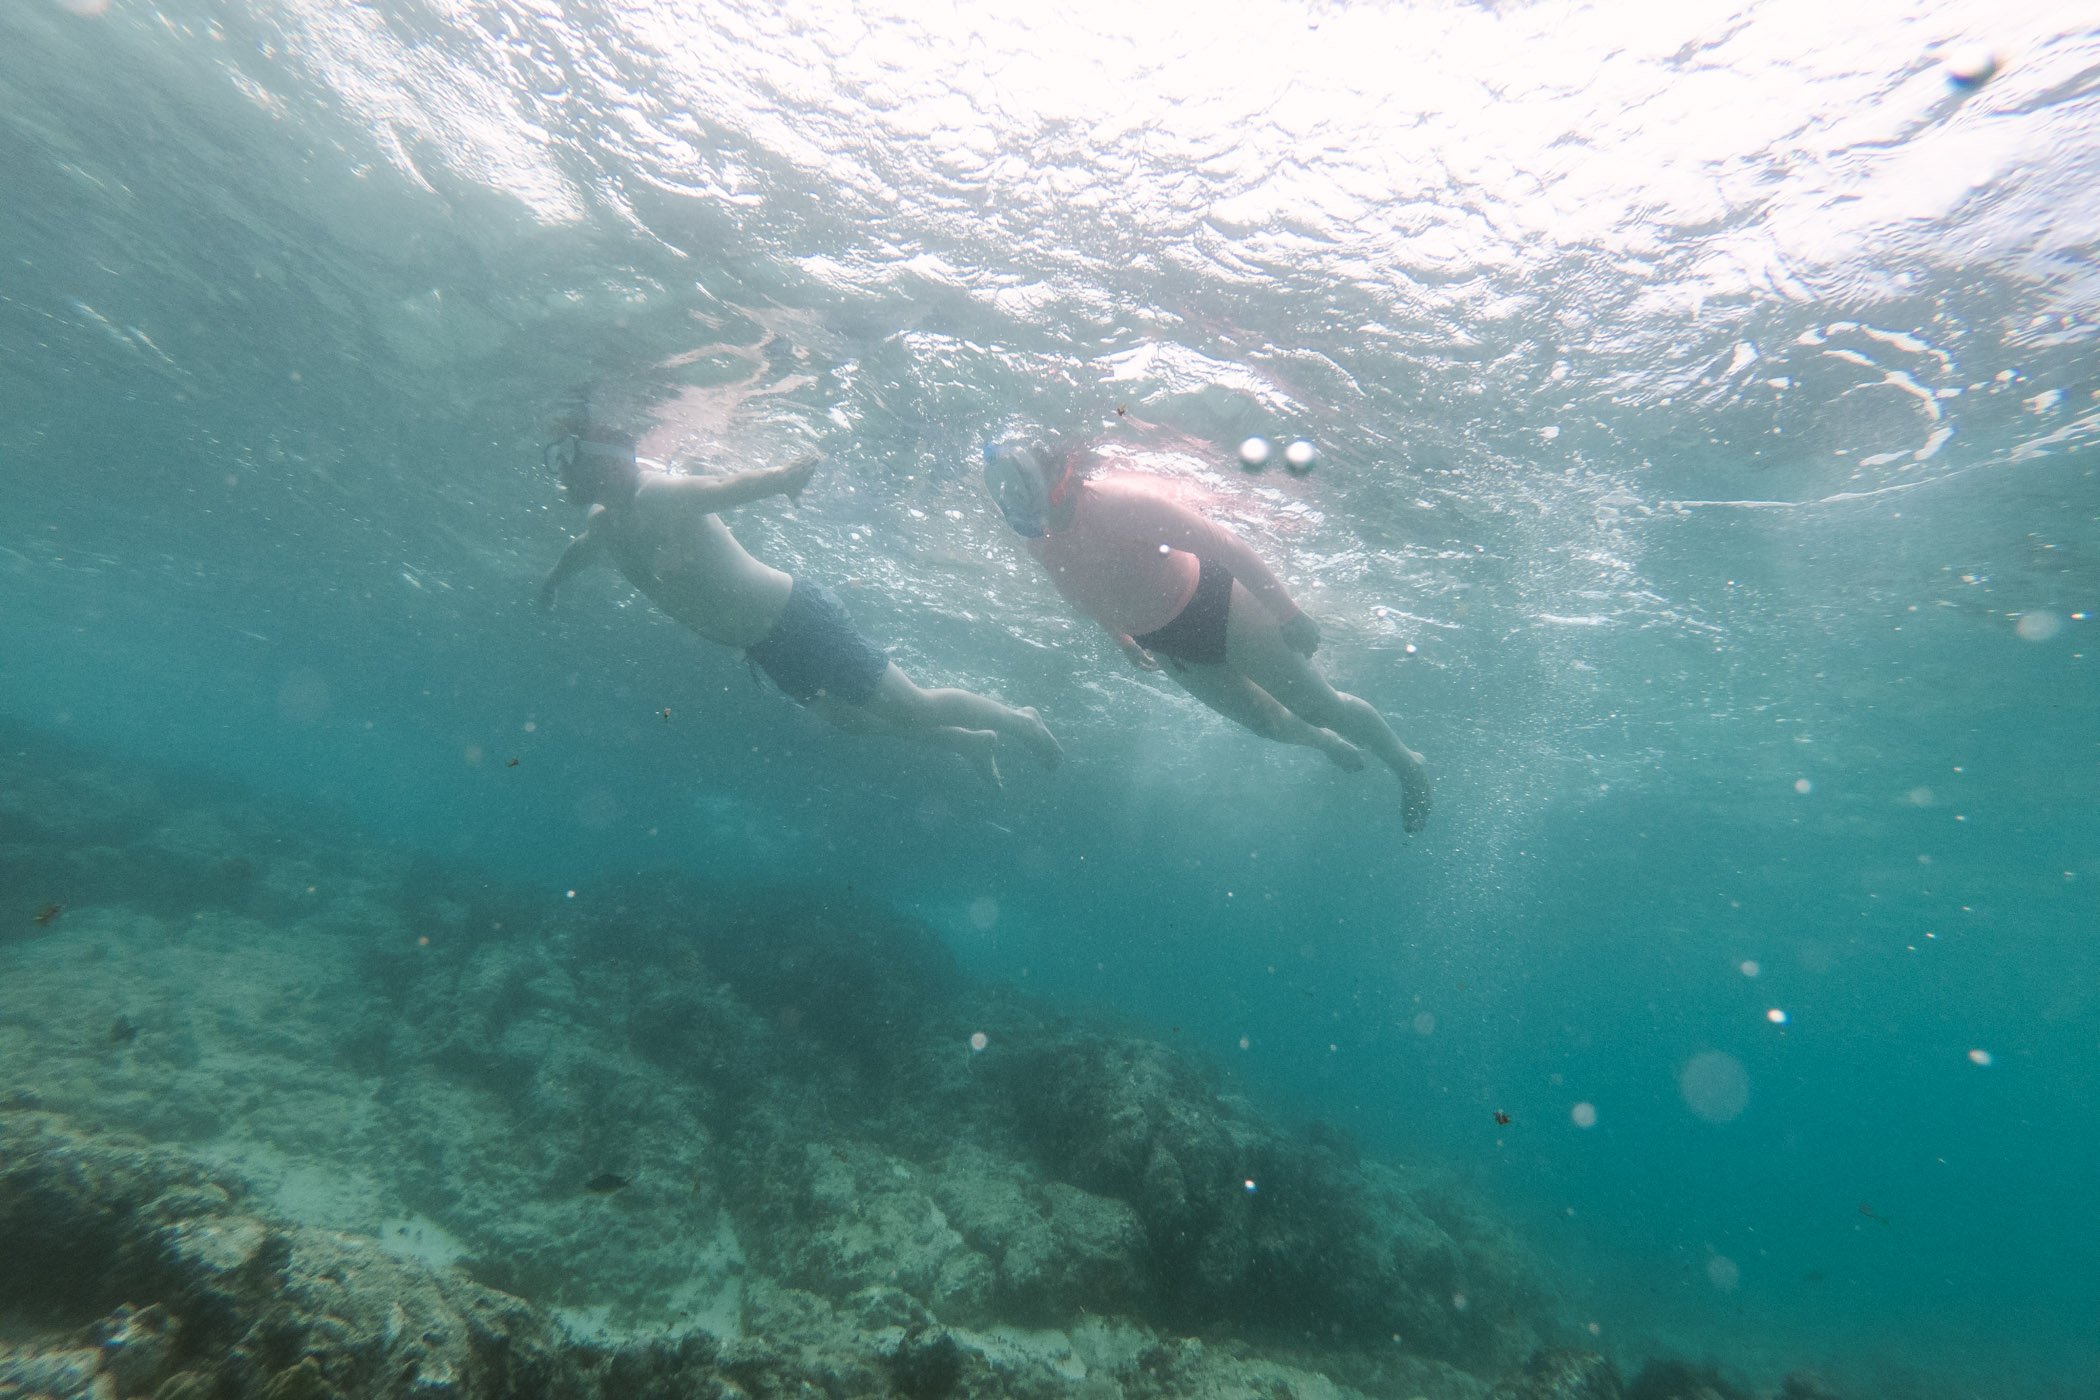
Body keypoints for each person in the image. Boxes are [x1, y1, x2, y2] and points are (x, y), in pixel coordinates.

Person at [538, 421, 1062, 785]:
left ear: (606, 466)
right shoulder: (605, 523)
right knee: (850, 721)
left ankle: (1022, 720)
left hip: (795, 618)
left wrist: (783, 479)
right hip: (763, 644)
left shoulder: (658, 495)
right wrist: (555, 581)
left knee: (913, 706)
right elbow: (582, 551)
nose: (561, 473)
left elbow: (720, 488)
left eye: (569, 460)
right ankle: (967, 743)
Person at [983, 440, 1430, 833]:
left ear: (1054, 481)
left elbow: (1219, 542)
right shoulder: (1039, 539)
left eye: (1023, 497)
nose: (1021, 513)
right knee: (1265, 724)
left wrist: (1287, 611)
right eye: (1012, 503)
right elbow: (1081, 588)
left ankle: (1407, 765)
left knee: (1318, 705)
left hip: (1216, 604)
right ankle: (1327, 743)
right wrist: (1121, 638)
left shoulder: (1114, 503)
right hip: (1167, 641)